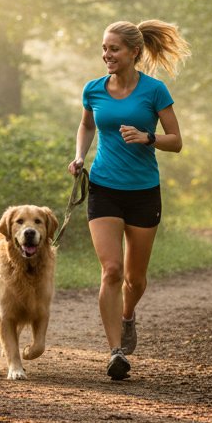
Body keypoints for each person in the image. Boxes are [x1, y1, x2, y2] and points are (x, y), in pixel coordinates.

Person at [68, 19, 190, 380]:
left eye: (114, 49)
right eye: (104, 48)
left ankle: (127, 315)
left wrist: (147, 137)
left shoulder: (154, 91)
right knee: (112, 270)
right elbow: (87, 125)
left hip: (142, 192)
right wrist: (79, 156)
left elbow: (177, 141)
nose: (107, 55)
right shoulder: (93, 89)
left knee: (135, 280)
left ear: (134, 52)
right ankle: (115, 351)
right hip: (104, 187)